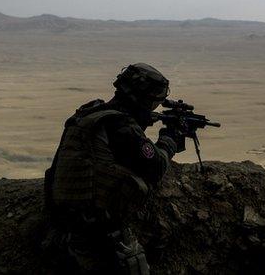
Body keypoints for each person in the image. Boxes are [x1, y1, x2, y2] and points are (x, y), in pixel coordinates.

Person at [44, 63, 186, 274]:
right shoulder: (120, 126)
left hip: (62, 227)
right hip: (97, 234)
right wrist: (169, 141)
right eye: (153, 102)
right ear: (143, 99)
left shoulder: (90, 113)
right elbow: (155, 167)